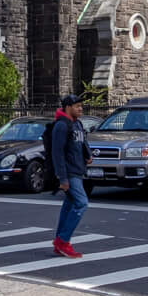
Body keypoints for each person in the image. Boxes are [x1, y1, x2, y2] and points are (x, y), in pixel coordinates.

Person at [46, 93, 89, 258]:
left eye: (81, 106)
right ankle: (63, 241)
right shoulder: (61, 126)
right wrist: (62, 178)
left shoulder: (77, 123)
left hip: (77, 169)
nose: (80, 109)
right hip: (69, 172)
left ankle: (60, 241)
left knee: (70, 205)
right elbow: (57, 153)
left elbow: (82, 141)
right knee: (81, 203)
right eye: (77, 106)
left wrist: (88, 155)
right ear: (68, 107)